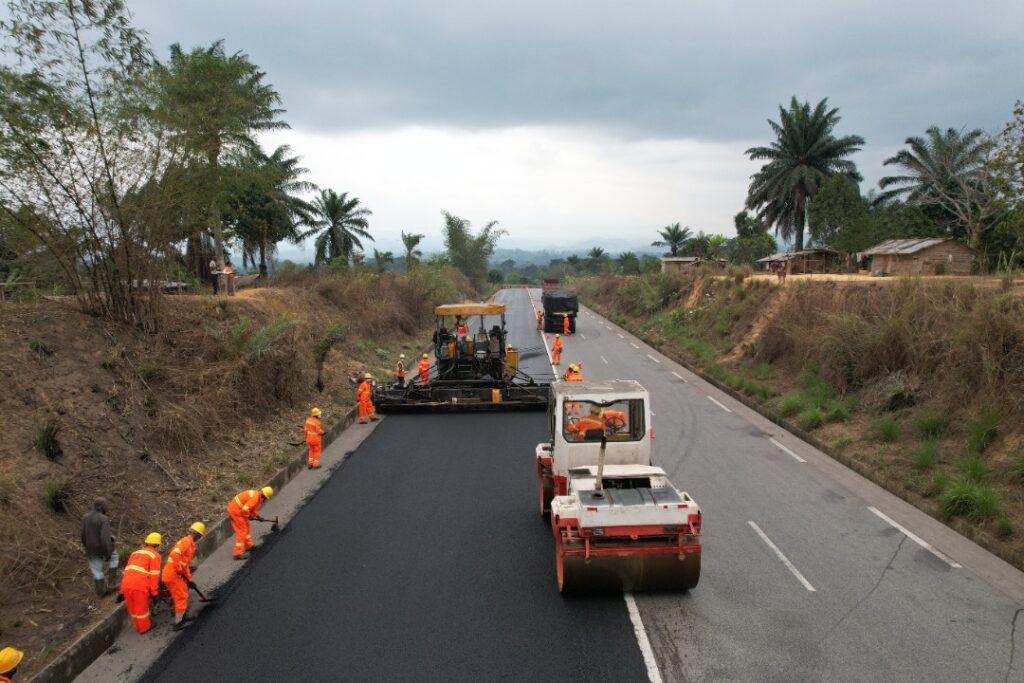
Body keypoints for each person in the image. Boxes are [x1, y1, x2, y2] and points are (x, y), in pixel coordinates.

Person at [161, 522, 206, 628]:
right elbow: (174, 554)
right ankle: (178, 622)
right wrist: (178, 569)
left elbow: (184, 565)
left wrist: (189, 580)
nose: (199, 537)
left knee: (183, 593)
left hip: (176, 573)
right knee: (181, 596)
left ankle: (182, 615)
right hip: (172, 574)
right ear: (197, 534)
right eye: (199, 535)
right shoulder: (186, 542)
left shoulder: (191, 545)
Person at [120, 533, 163, 634]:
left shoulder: (135, 553)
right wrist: (155, 592)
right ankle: (145, 628)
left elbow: (127, 570)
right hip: (139, 584)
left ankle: (138, 626)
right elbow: (154, 575)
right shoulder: (154, 555)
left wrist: (121, 591)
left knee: (133, 608)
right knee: (141, 608)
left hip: (126, 584)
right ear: (157, 545)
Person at [81, 497, 117, 597]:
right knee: (114, 558)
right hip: (102, 547)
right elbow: (104, 538)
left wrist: (86, 545)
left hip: (90, 548)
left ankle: (101, 592)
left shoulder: (85, 517)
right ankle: (112, 583)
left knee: (96, 570)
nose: (107, 507)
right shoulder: (103, 519)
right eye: (106, 505)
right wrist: (108, 552)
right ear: (101, 507)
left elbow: (83, 535)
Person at [226, 487, 274, 560]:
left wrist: (258, 516)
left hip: (238, 510)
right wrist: (249, 516)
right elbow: (245, 509)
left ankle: (249, 546)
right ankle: (237, 554)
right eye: (266, 498)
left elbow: (251, 508)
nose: (265, 500)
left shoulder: (257, 496)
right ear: (265, 497)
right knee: (242, 531)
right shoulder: (255, 498)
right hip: (235, 512)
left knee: (247, 527)